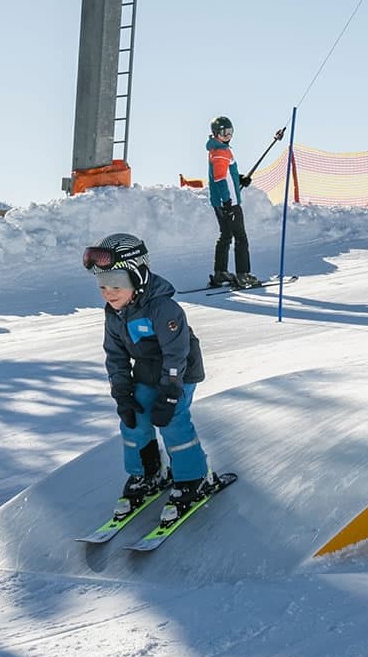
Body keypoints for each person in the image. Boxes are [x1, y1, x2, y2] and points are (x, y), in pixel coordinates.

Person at [83, 232, 215, 521]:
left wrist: (169, 392)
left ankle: (193, 477)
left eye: (117, 283)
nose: (109, 292)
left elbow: (176, 353)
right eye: (103, 285)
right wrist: (122, 392)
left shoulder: (163, 308)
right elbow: (115, 355)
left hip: (179, 373)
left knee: (173, 420)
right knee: (134, 420)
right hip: (145, 372)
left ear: (139, 278)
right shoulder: (114, 313)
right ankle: (147, 473)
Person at [206, 115, 261, 289]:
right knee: (241, 238)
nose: (227, 135)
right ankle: (243, 275)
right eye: (223, 132)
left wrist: (239, 179)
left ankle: (220, 272)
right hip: (229, 203)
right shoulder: (221, 152)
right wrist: (228, 202)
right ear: (215, 133)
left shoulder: (218, 150)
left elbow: (227, 175)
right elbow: (220, 179)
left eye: (230, 132)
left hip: (221, 201)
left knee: (226, 236)